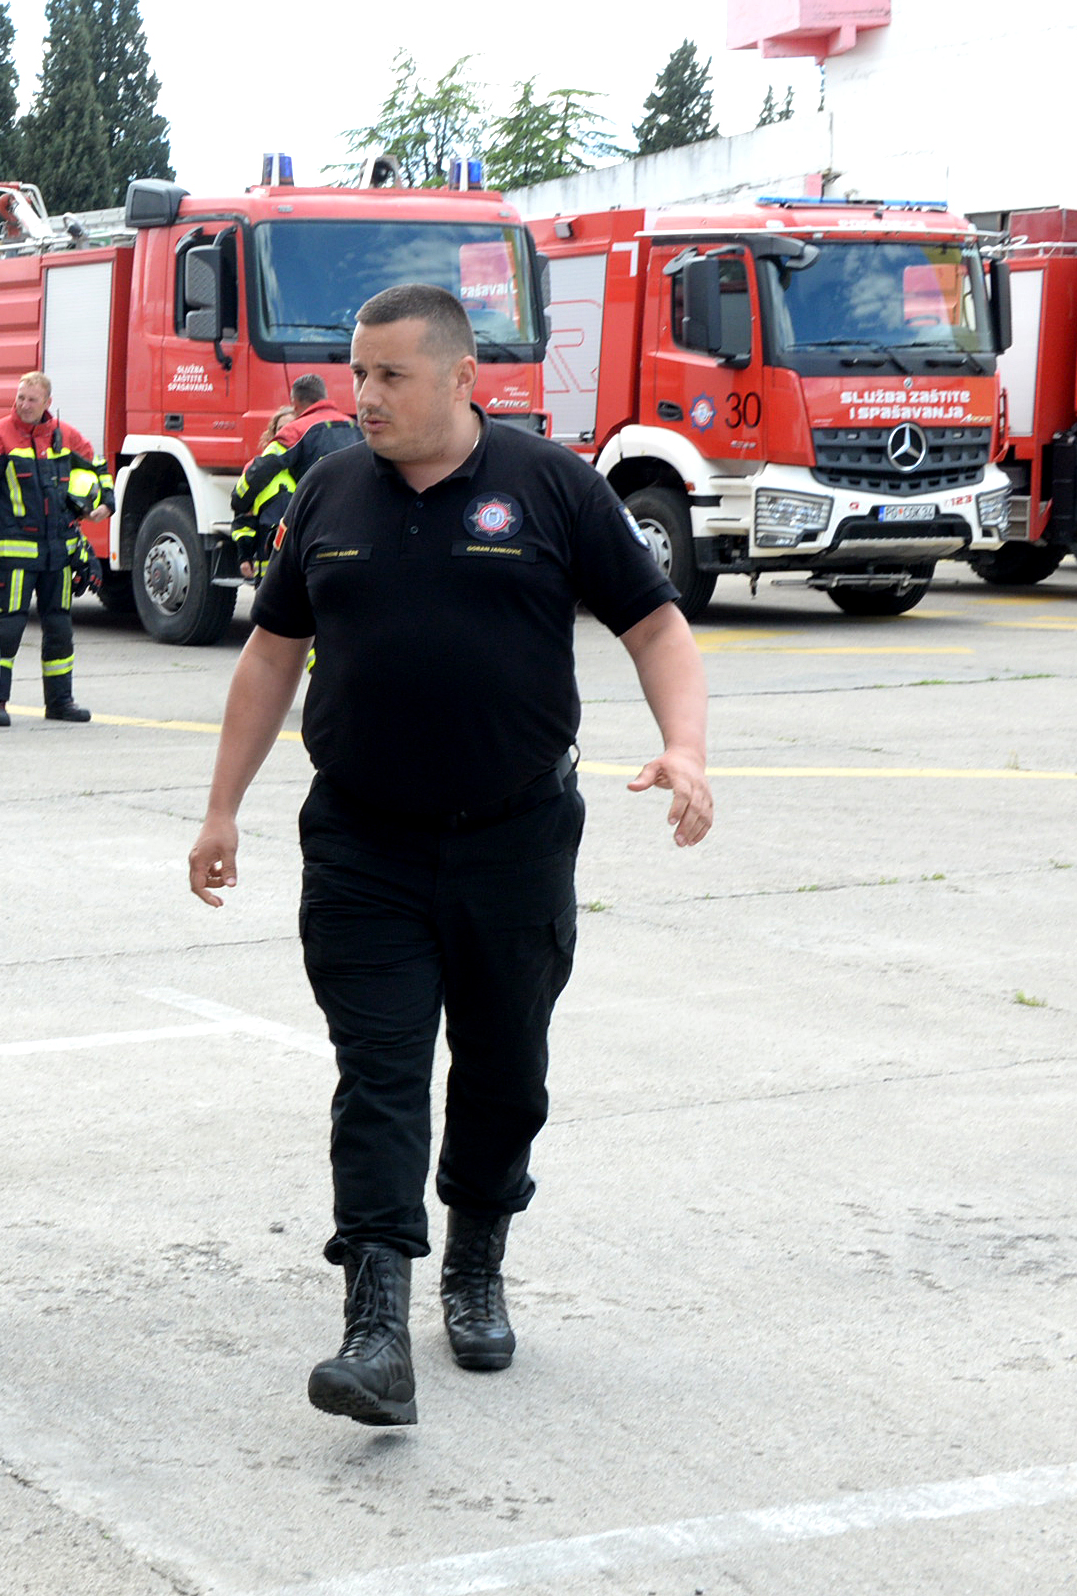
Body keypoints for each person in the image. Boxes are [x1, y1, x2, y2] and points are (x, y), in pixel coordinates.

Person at [186, 285, 715, 1427]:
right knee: (378, 1074)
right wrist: (221, 807)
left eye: (389, 376)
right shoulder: (328, 486)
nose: (363, 396)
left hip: (515, 844)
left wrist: (684, 746)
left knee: (502, 1071)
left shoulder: (550, 487)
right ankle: (375, 1323)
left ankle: (476, 1260)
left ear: (463, 378)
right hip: (363, 843)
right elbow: (272, 658)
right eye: (357, 374)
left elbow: (656, 623)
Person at [0, 371, 105, 725]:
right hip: (13, 556)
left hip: (58, 555)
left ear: (47, 403)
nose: (24, 405)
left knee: (59, 629)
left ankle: (60, 702)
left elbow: (98, 469)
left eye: (32, 399)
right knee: (7, 629)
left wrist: (105, 501)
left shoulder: (66, 437)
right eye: (20, 398)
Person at [229, 374, 362, 581]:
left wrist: (239, 500)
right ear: (324, 396)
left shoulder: (296, 430)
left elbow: (262, 467)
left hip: (313, 525)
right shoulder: (355, 427)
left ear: (295, 403)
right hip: (353, 524)